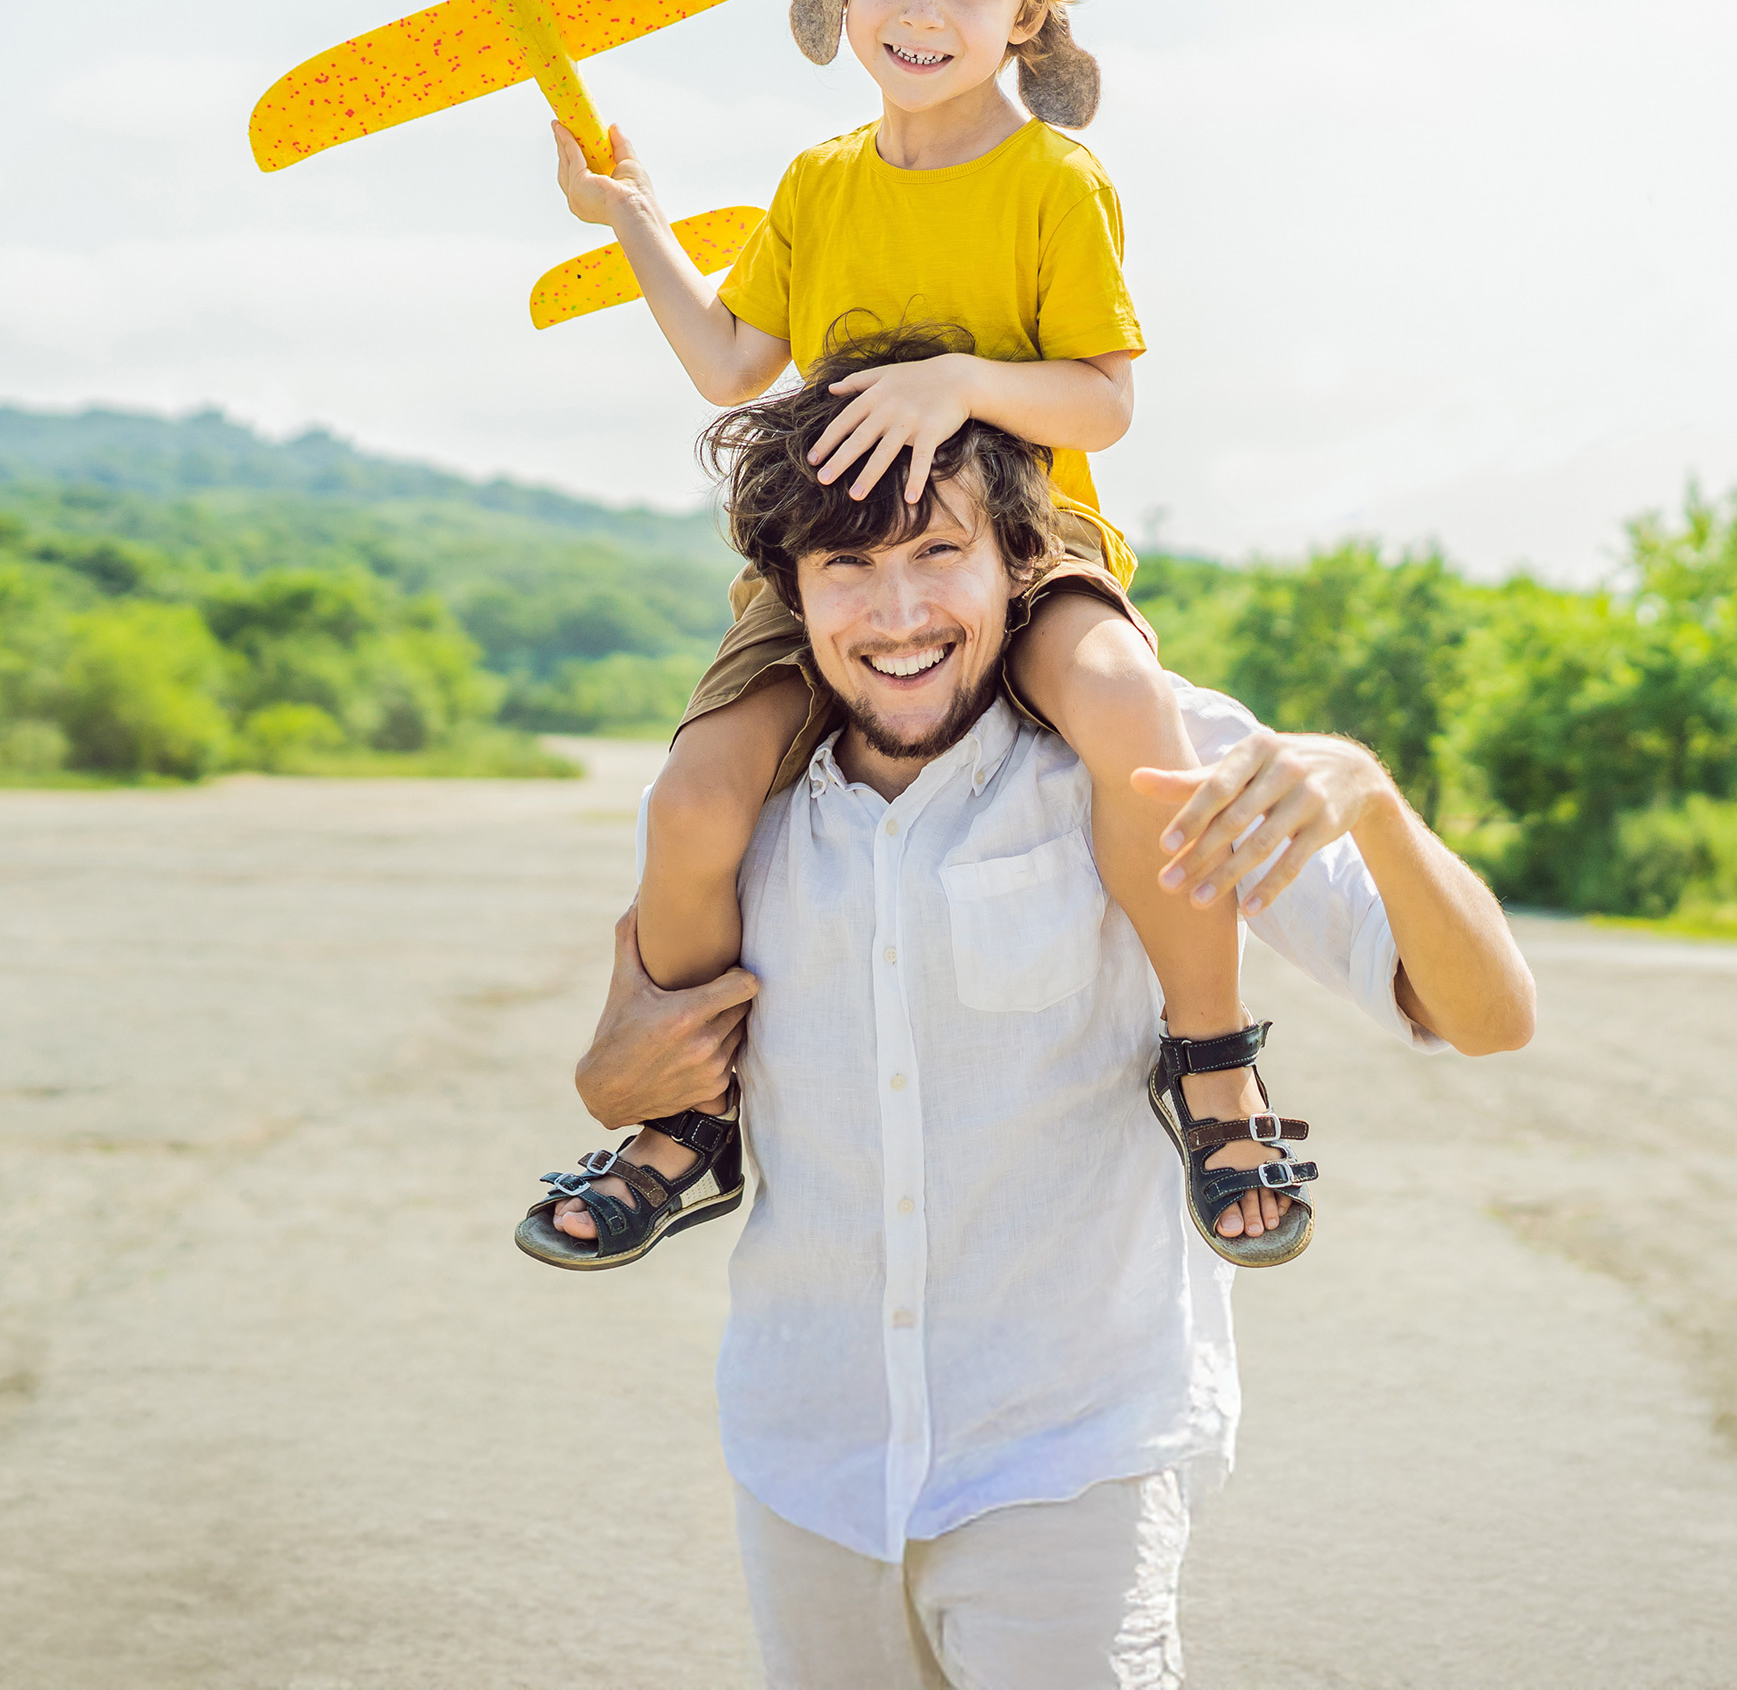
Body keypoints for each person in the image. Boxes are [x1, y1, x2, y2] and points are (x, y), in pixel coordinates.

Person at [557, 336, 1534, 1684]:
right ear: (788, 597)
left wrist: (1368, 793)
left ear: (1019, 565)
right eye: (849, 567)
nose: (898, 614)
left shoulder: (1148, 751)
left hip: (1073, 1466)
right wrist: (616, 1089)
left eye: (938, 554)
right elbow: (629, 1073)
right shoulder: (738, 806)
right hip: (809, 1464)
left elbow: (1486, 1014)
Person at [521, 0, 1307, 1272]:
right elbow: (730, 364)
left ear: (1028, 14)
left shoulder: (1052, 183)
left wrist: (955, 382)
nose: (924, 10)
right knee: (696, 798)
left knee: (1134, 715)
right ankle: (690, 1115)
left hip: (1029, 546)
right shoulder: (819, 184)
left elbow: (1105, 397)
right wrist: (630, 216)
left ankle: (1210, 1057)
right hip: (835, 563)